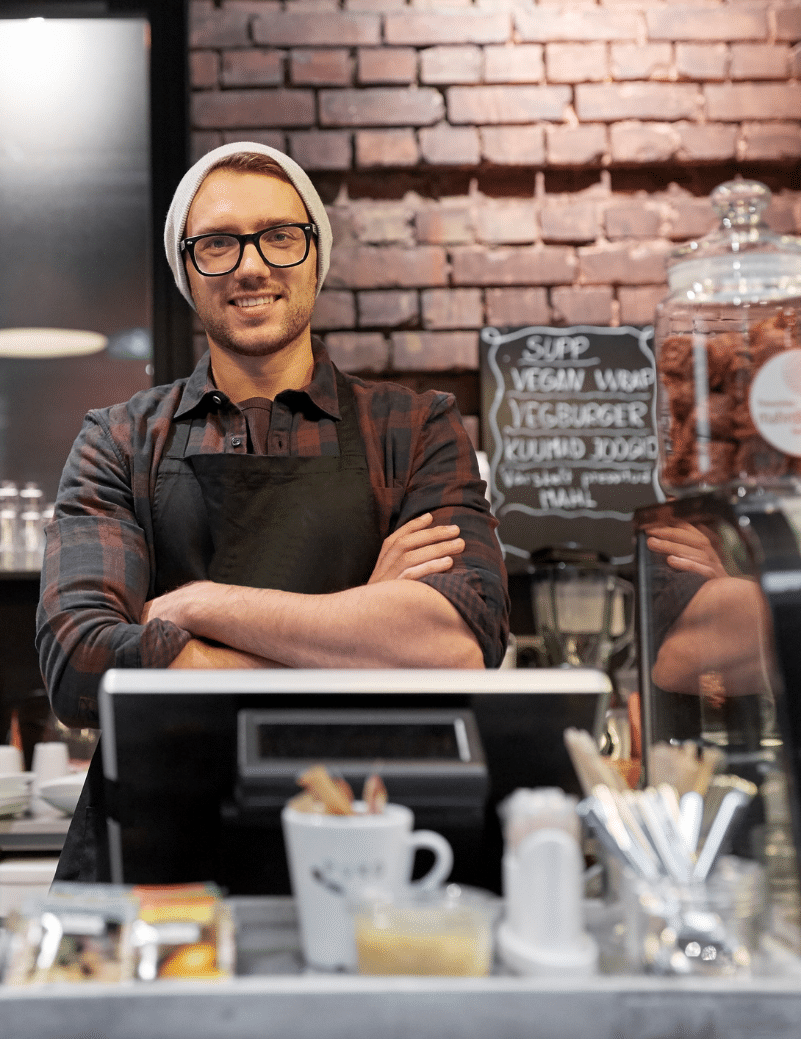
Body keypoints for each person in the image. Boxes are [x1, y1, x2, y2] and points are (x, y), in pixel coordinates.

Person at [36, 141, 509, 880]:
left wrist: (199, 606)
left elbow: (459, 645)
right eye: (217, 245)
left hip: (376, 848)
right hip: (161, 856)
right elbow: (81, 665)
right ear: (187, 274)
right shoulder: (121, 439)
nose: (252, 266)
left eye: (280, 236)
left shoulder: (416, 428)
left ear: (316, 256)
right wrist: (366, 626)